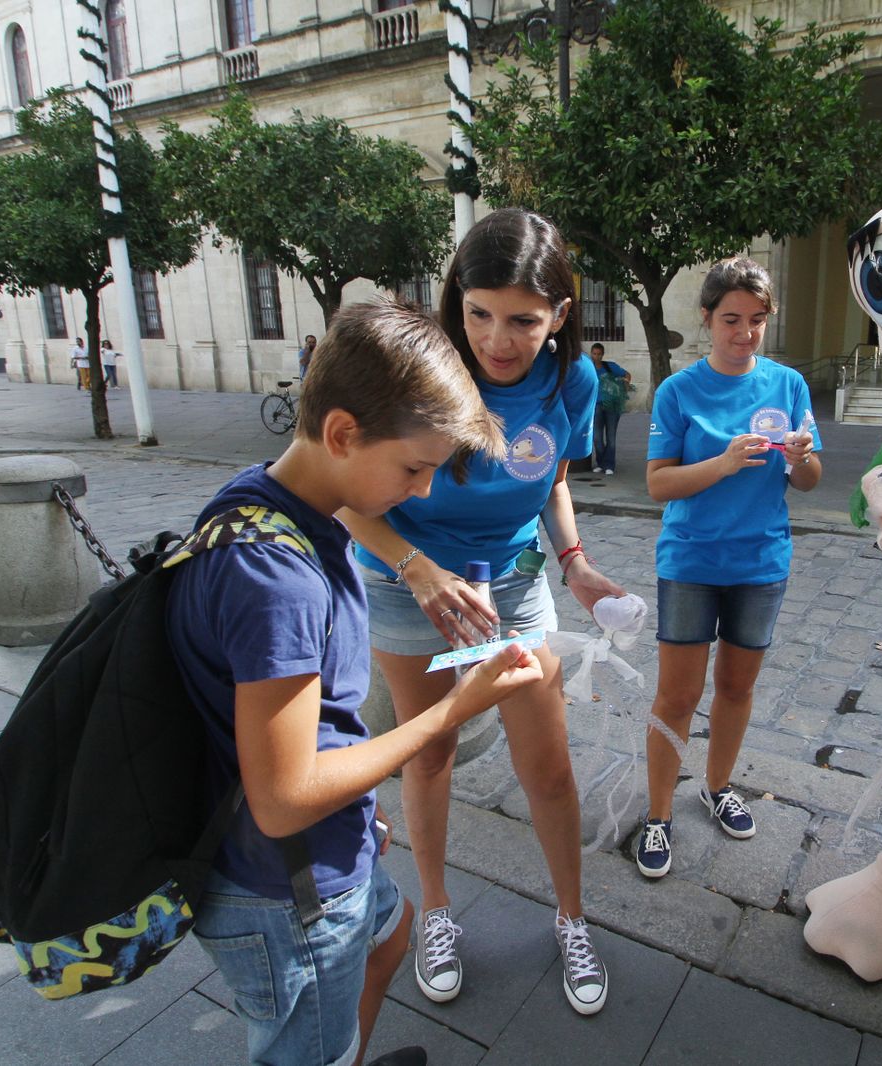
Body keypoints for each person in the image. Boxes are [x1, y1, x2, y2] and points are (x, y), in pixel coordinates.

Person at [166, 298, 538, 1066]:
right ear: (342, 433)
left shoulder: (271, 499)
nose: (426, 492)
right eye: (414, 467)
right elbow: (283, 797)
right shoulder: (278, 583)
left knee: (393, 930)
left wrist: (354, 805)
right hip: (288, 890)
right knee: (308, 1049)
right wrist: (453, 713)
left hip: (325, 854)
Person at [341, 208, 622, 1016]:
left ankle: (572, 918)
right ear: (455, 298)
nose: (498, 339)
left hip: (513, 582)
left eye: (523, 321)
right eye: (479, 313)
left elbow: (554, 481)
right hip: (406, 585)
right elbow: (344, 498)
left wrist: (573, 562)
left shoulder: (573, 379)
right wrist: (417, 567)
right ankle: (435, 913)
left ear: (561, 316)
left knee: (549, 765)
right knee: (428, 756)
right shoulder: (414, 374)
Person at [634, 256, 821, 879]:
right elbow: (659, 484)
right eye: (732, 319)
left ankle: (718, 786)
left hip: (762, 560)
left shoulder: (788, 386)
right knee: (678, 694)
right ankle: (658, 815)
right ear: (708, 319)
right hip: (691, 559)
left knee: (738, 688)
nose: (745, 332)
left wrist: (798, 458)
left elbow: (810, 478)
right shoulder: (678, 391)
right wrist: (721, 462)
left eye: (758, 320)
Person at [587, 343, 630, 474]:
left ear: (603, 354)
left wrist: (625, 386)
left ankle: (609, 465)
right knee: (597, 438)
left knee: (611, 437)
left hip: (612, 405)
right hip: (596, 406)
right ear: (591, 354)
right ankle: (601, 463)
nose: (596, 356)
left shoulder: (610, 366)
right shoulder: (589, 368)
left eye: (599, 354)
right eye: (594, 353)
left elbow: (627, 375)